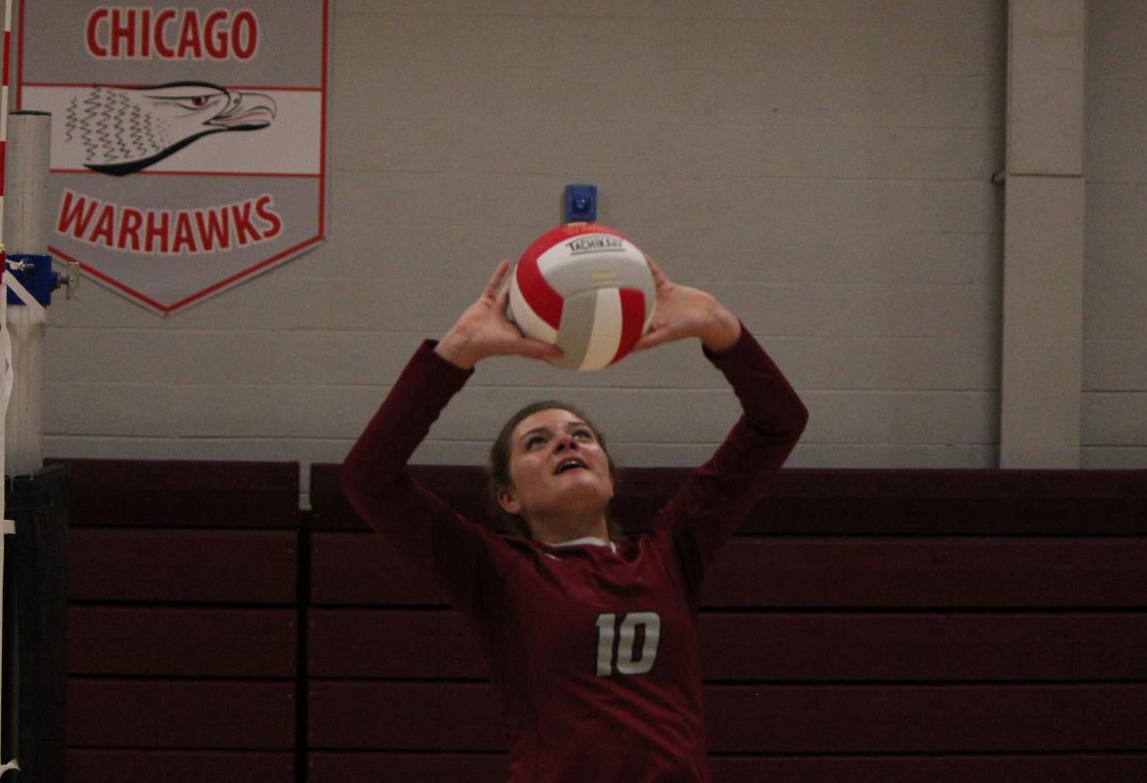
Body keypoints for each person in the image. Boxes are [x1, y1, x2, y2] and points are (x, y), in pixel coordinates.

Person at [341, 256, 809, 783]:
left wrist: (719, 326)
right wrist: (457, 353)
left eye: (581, 435)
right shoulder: (497, 572)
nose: (566, 441)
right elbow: (368, 478)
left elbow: (779, 423)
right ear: (509, 498)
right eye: (537, 443)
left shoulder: (671, 550)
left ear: (610, 477)